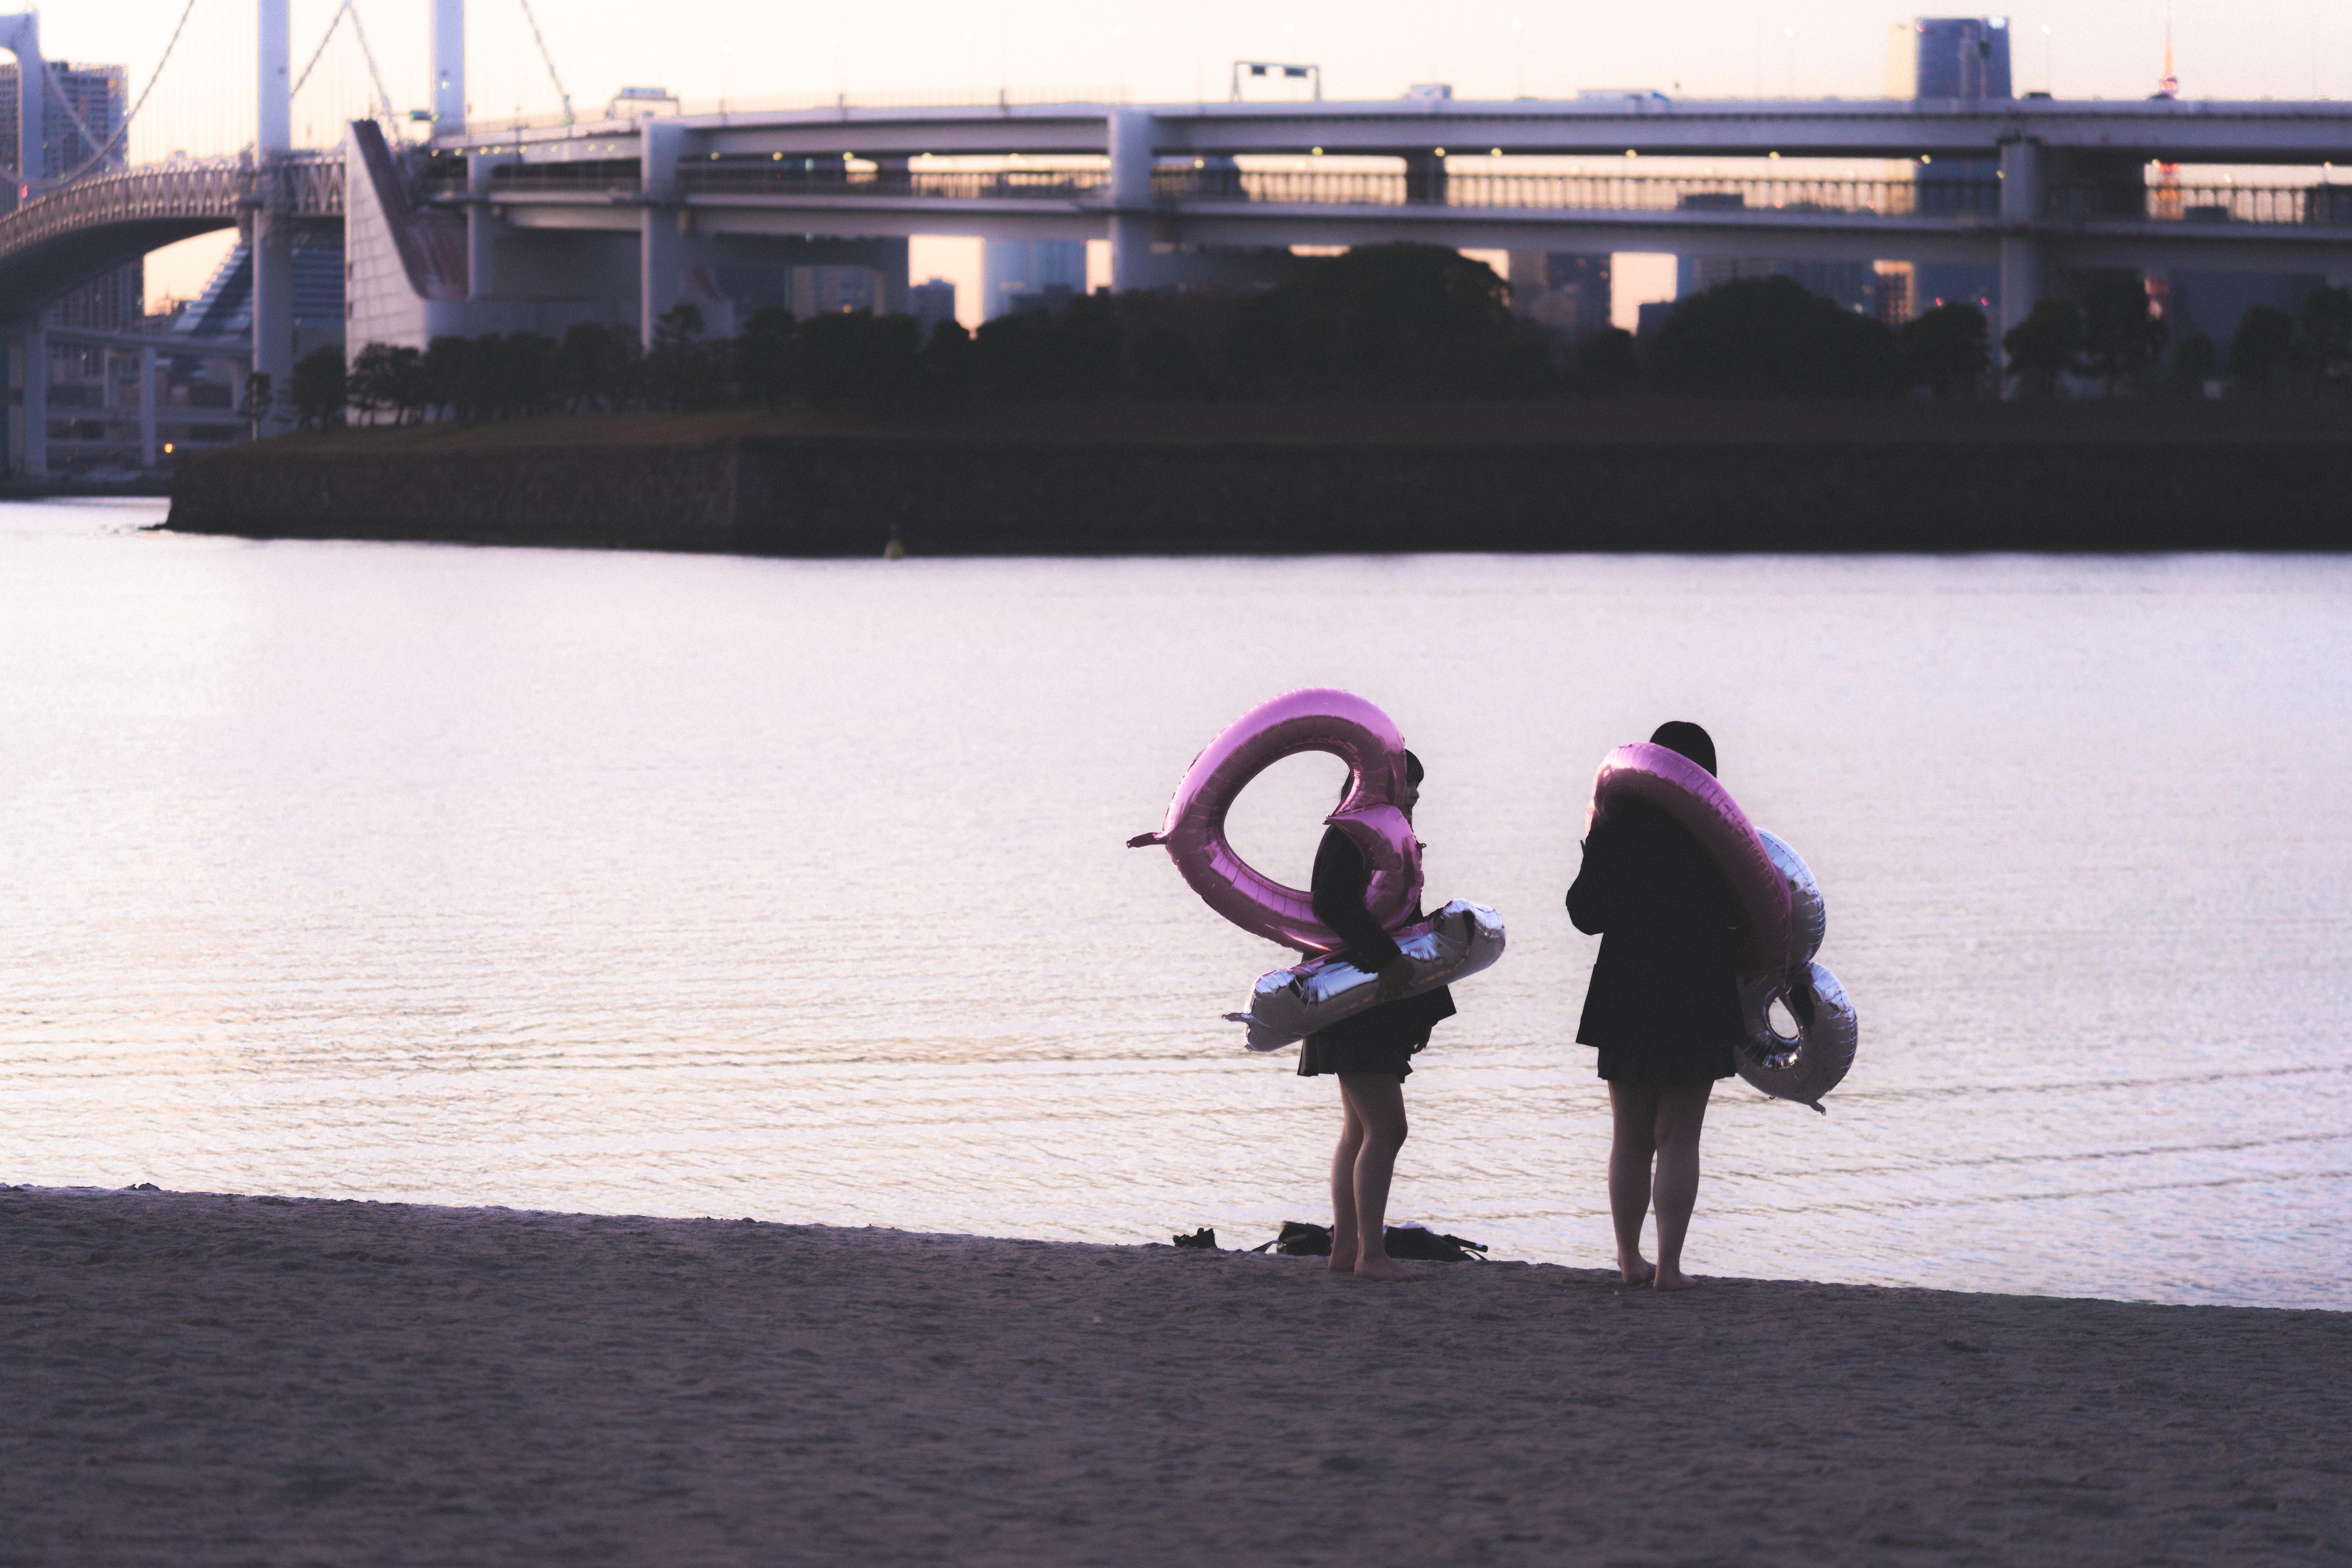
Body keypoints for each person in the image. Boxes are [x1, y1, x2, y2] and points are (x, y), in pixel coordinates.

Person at [1566, 721, 1740, 1292]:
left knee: (1632, 1137)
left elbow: (1585, 914)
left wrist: (1594, 835)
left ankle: (1628, 1260)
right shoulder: (1724, 837)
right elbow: (1753, 922)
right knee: (1681, 1138)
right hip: (1698, 994)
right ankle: (1669, 1268)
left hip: (1627, 992)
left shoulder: (1619, 830)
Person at [1299, 750, 1454, 1280]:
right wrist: (1385, 960)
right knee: (1388, 1129)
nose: (1414, 796)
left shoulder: (1387, 839)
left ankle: (1346, 1250)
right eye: (1408, 786)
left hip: (1368, 1002)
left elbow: (1404, 922)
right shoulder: (1350, 835)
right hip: (1355, 998)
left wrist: (1424, 1013)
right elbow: (1332, 904)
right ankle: (1370, 1255)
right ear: (1380, 787)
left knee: (1358, 1131)